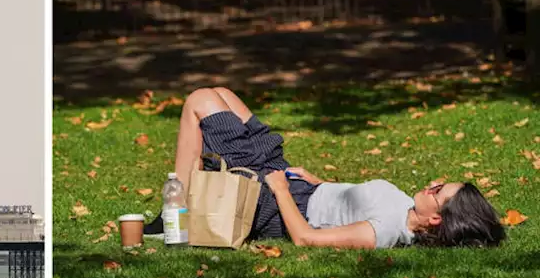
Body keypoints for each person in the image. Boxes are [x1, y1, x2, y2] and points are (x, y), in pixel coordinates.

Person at [168, 86, 504, 248]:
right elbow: (353, 203)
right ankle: (176, 212)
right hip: (301, 187)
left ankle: (174, 217)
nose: (432, 184)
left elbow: (305, 238)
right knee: (223, 94)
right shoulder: (403, 208)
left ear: (436, 219)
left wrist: (282, 191)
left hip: (276, 204)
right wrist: (322, 184)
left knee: (200, 101)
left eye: (437, 191)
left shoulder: (385, 231)